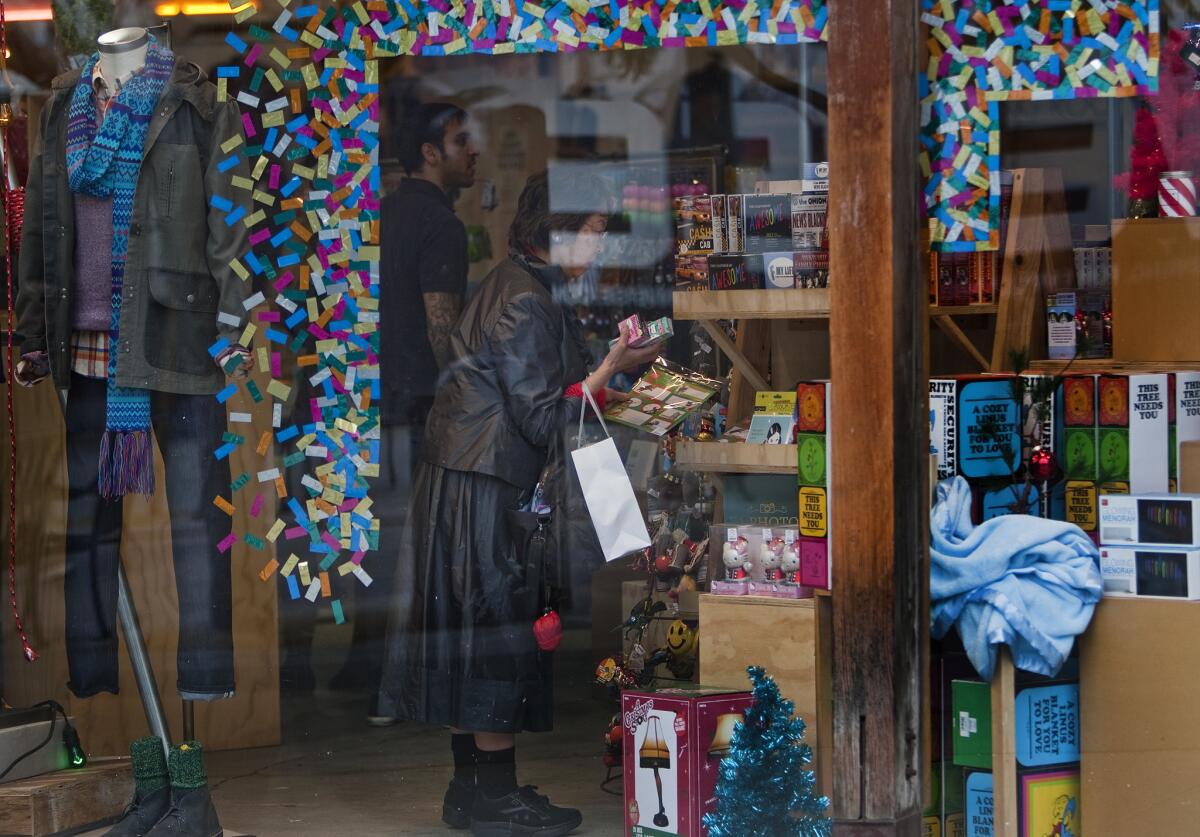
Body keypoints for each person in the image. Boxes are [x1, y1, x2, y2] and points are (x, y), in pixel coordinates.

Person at [378, 170, 659, 836]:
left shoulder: (519, 282)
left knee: (471, 640)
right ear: (555, 228)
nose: (596, 250)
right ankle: (495, 796)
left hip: (468, 478)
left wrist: (603, 383)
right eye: (590, 233)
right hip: (484, 487)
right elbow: (542, 416)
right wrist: (611, 366)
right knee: (493, 636)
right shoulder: (527, 298)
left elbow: (543, 396)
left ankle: (470, 791)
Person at [326, 102, 479, 719]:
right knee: (416, 552)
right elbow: (442, 329)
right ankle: (395, 692)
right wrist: (471, 393)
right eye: (460, 139)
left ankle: (363, 673)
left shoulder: (379, 214)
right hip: (416, 407)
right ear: (428, 153)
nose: (474, 150)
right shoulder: (439, 225)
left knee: (376, 548)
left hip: (364, 401)